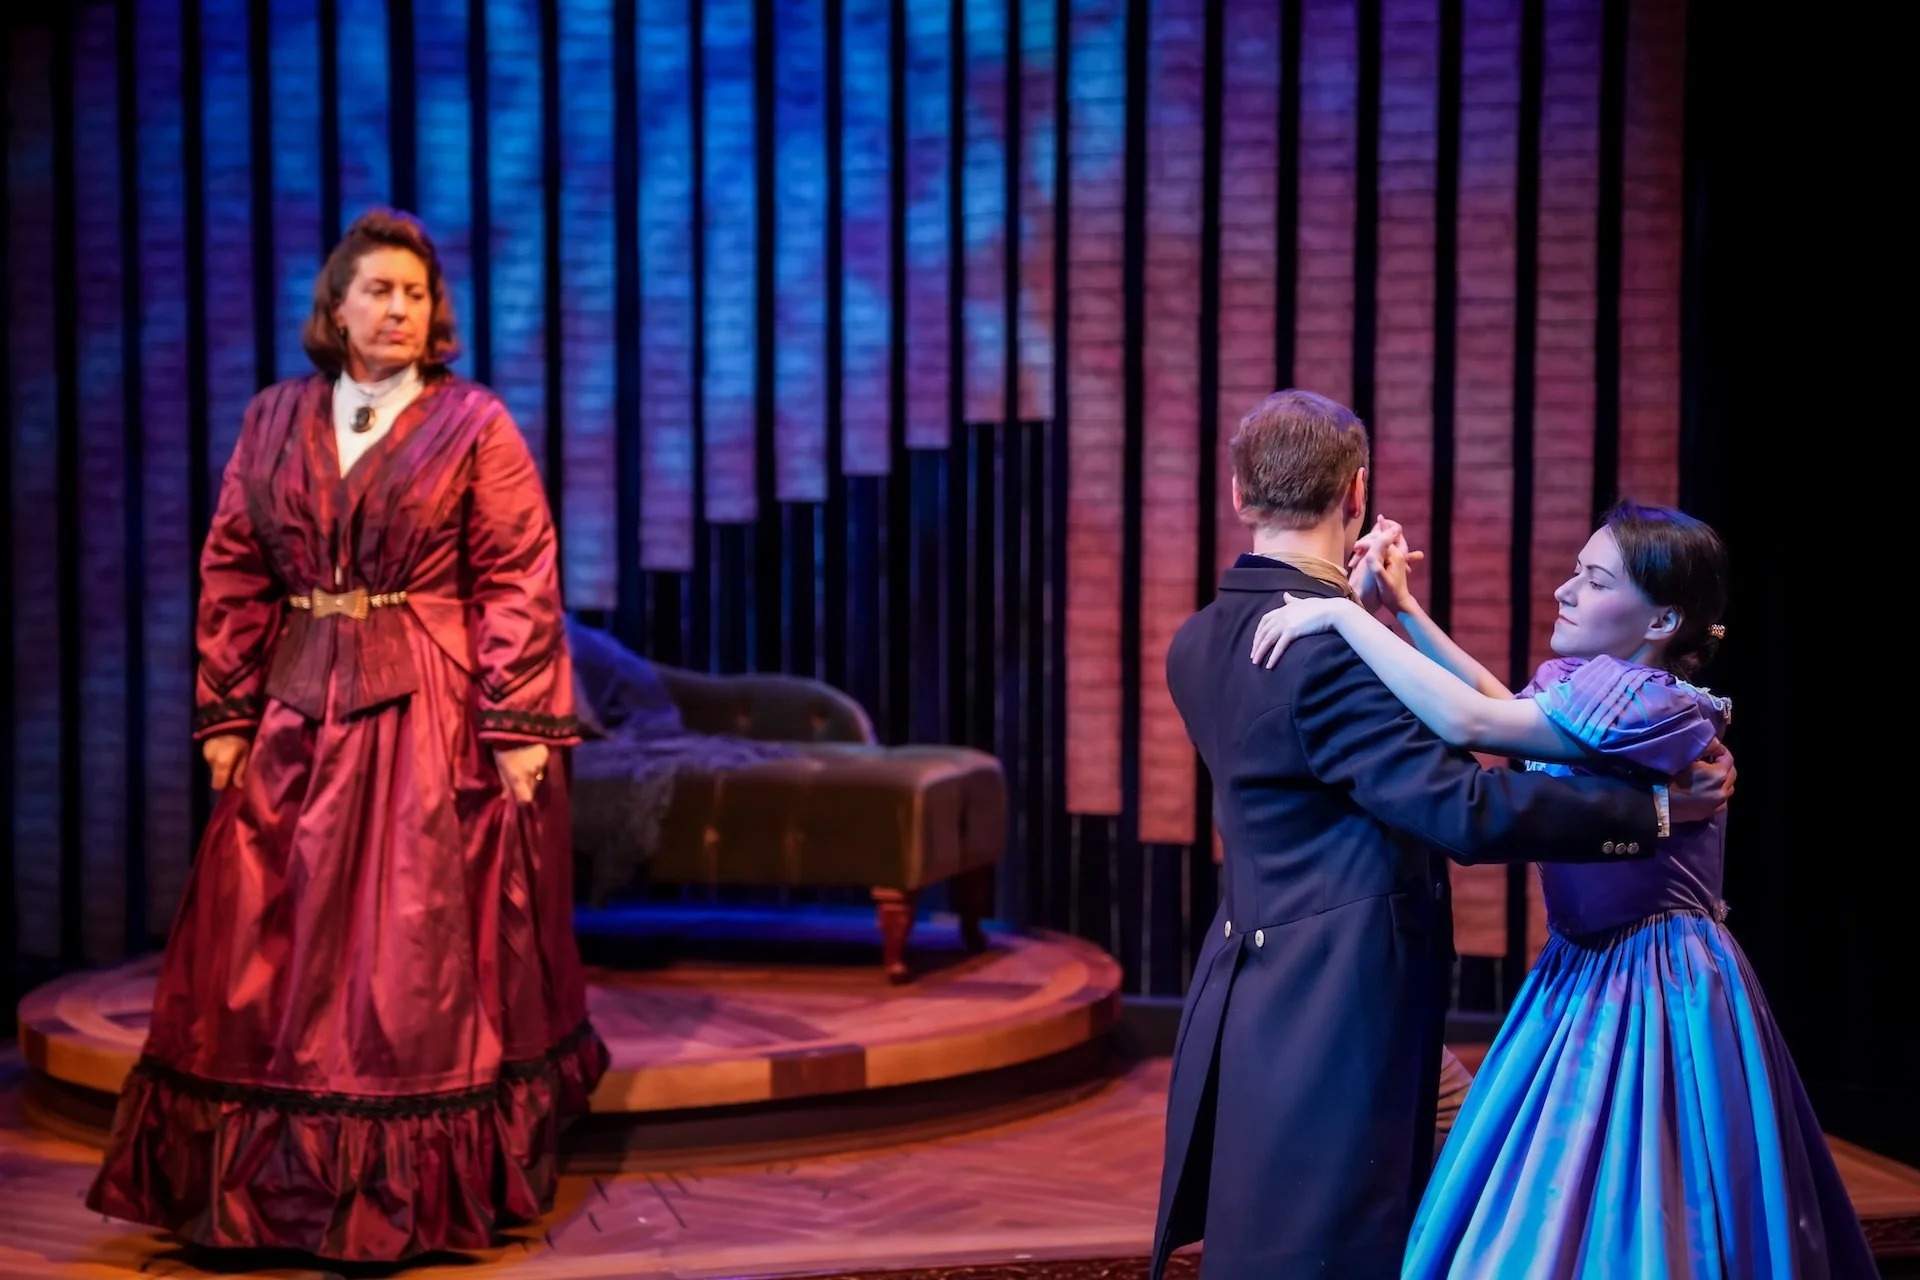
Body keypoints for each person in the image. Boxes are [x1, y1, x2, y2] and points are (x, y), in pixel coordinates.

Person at [86, 209, 608, 1262]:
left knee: (407, 945)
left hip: (426, 711)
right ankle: (268, 1185)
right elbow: (235, 561)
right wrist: (228, 709)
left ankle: (403, 1189)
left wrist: (517, 721)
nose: (399, 309)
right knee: (262, 928)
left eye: (415, 293)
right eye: (379, 290)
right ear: (336, 306)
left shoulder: (474, 423)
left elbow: (517, 571)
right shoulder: (276, 417)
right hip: (296, 703)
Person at [1148, 389, 1735, 1280]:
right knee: (1350, 1232)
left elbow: (1500, 721)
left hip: (1260, 970)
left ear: (1237, 493)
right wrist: (1651, 815)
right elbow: (1464, 804)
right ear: (1358, 492)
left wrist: (1386, 614)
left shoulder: (1198, 639)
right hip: (1340, 990)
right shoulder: (1327, 647)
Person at [1250, 502, 1874, 1278]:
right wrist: (1403, 608)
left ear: (1662, 621)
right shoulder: (1593, 686)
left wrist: (1344, 616)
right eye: (1577, 571)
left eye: (1596, 580)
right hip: (1582, 964)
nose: (1565, 591)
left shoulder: (1654, 703)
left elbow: (1473, 723)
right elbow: (1498, 707)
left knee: (1647, 1188)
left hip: (1657, 976)